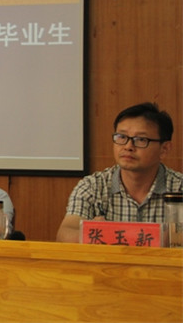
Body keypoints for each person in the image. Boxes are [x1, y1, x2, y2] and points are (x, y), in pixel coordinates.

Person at [56, 102, 183, 243]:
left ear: (164, 149)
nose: (128, 146)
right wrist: (155, 238)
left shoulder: (179, 187)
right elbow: (64, 236)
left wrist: (102, 234)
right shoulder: (93, 186)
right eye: (122, 137)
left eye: (141, 139)